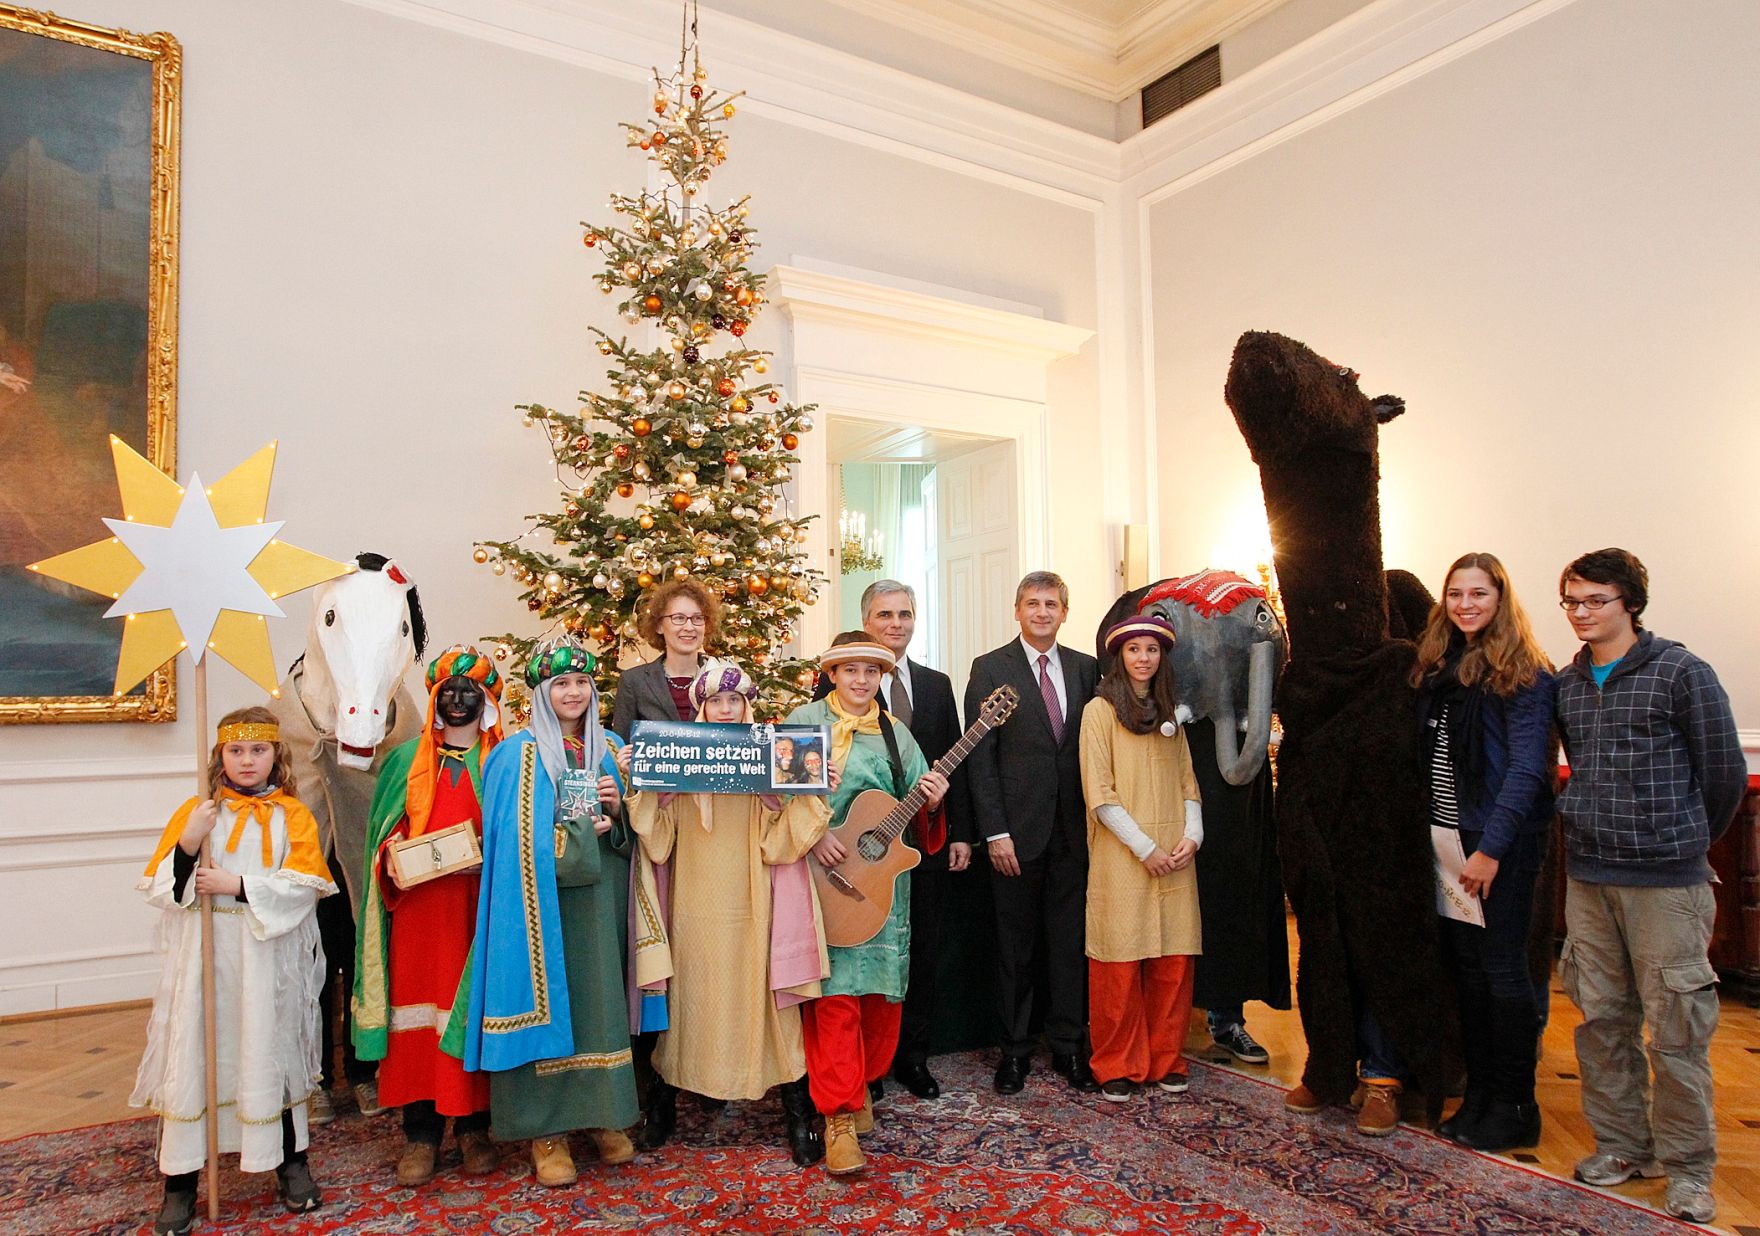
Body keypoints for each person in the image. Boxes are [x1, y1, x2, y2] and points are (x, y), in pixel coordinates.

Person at [1554, 549, 1744, 1224]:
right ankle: (1623, 1146)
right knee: (1602, 1021)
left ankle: (1689, 1171)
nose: (1581, 613)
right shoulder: (1567, 684)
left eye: (1594, 601)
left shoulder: (1680, 673)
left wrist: (1676, 840)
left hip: (1666, 884)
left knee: (1676, 1032)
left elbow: (1721, 777)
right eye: (1571, 602)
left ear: (1630, 601)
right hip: (1589, 877)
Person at [130, 707, 334, 1235]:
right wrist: (189, 843)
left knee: (272, 1050)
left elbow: (308, 886)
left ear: (276, 756)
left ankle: (290, 1163)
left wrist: (238, 886)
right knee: (197, 1054)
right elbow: (161, 889)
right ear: (220, 756)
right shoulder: (197, 812)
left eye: (258, 750)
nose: (247, 761)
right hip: (207, 957)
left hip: (264, 956)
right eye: (236, 751)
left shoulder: (294, 816)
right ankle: (180, 1183)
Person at [625, 658, 831, 1166]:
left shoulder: (771, 755)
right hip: (693, 902)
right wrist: (651, 788)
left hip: (754, 899)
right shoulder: (677, 756)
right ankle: (665, 1103)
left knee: (765, 999)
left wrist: (790, 792)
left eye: (734, 701)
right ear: (701, 707)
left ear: (747, 707)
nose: (724, 709)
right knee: (692, 998)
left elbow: (784, 843)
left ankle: (797, 1110)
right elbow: (657, 842)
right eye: (715, 700)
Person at [461, 638, 638, 1187]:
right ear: (541, 691)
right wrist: (585, 833)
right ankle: (547, 1132)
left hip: (599, 900)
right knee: (553, 1005)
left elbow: (634, 835)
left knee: (599, 1005)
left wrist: (618, 810)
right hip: (540, 910)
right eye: (560, 683)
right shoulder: (514, 754)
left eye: (582, 682)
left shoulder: (609, 745)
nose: (573, 692)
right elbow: (514, 845)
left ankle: (602, 1116)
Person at [787, 633, 950, 1174]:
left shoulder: (895, 731)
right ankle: (835, 1116)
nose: (861, 680)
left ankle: (859, 1089)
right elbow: (776, 801)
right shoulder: (804, 722)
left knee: (881, 998)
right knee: (834, 998)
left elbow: (914, 815)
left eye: (871, 671)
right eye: (849, 670)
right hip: (822, 877)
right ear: (832, 673)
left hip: (882, 885)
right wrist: (813, 835)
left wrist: (934, 800)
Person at [1408, 554, 1555, 1150]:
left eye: (1479, 594)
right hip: (1448, 840)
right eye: (1456, 594)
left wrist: (1490, 850)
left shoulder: (1524, 672)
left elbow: (1526, 770)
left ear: (1501, 599)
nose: (1466, 605)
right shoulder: (1441, 665)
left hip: (1498, 848)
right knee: (1468, 973)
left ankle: (1517, 1104)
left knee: (1502, 970)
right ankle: (1481, 1098)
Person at [352, 647, 503, 1185]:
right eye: (449, 691)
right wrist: (392, 854)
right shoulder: (402, 763)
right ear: (437, 699)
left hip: (480, 912)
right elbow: (381, 835)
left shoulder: (504, 758)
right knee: (418, 1018)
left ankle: (474, 1128)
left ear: (487, 701)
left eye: (472, 691)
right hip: (419, 912)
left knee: (474, 1014)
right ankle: (420, 1134)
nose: (460, 700)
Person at [964, 571, 1100, 1095]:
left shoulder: (1087, 670)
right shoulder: (990, 668)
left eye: (1051, 604)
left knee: (1069, 947)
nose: (1042, 612)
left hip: (1075, 834)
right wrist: (994, 832)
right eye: (1032, 603)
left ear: (1065, 613)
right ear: (1016, 611)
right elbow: (981, 758)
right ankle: (1015, 1053)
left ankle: (1069, 1048)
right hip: (1014, 837)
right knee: (1014, 949)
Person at [850, 580, 970, 1101]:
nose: (895, 624)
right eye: (884, 615)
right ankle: (867, 1065)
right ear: (866, 620)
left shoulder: (938, 685)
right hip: (868, 848)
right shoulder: (844, 682)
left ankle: (914, 1058)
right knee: (872, 952)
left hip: (926, 842)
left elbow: (954, 762)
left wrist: (959, 832)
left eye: (903, 614)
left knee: (922, 951)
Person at [1079, 615, 1203, 1102]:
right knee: (1119, 962)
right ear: (1120, 656)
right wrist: (1144, 848)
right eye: (1134, 650)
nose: (1143, 658)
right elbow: (1100, 792)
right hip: (1124, 854)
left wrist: (1192, 835)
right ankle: (1117, 1063)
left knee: (1173, 960)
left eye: (1152, 649)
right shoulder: (1099, 711)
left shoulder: (1172, 712)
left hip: (1176, 854)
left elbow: (1188, 781)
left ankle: (1166, 1058)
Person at [612, 577, 719, 734]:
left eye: (697, 618)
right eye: (679, 618)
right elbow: (621, 742)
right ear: (659, 625)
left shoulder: (722, 677)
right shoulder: (633, 682)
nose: (689, 627)